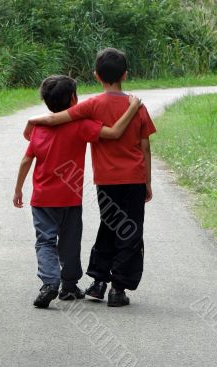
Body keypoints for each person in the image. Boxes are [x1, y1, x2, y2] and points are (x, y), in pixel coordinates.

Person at [24, 48, 156, 307]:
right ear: (125, 75)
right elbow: (145, 147)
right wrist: (148, 182)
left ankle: (98, 282)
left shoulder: (92, 105)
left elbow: (57, 118)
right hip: (134, 180)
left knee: (108, 228)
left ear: (96, 76)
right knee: (130, 231)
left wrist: (32, 119)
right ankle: (117, 289)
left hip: (106, 181)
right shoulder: (137, 106)